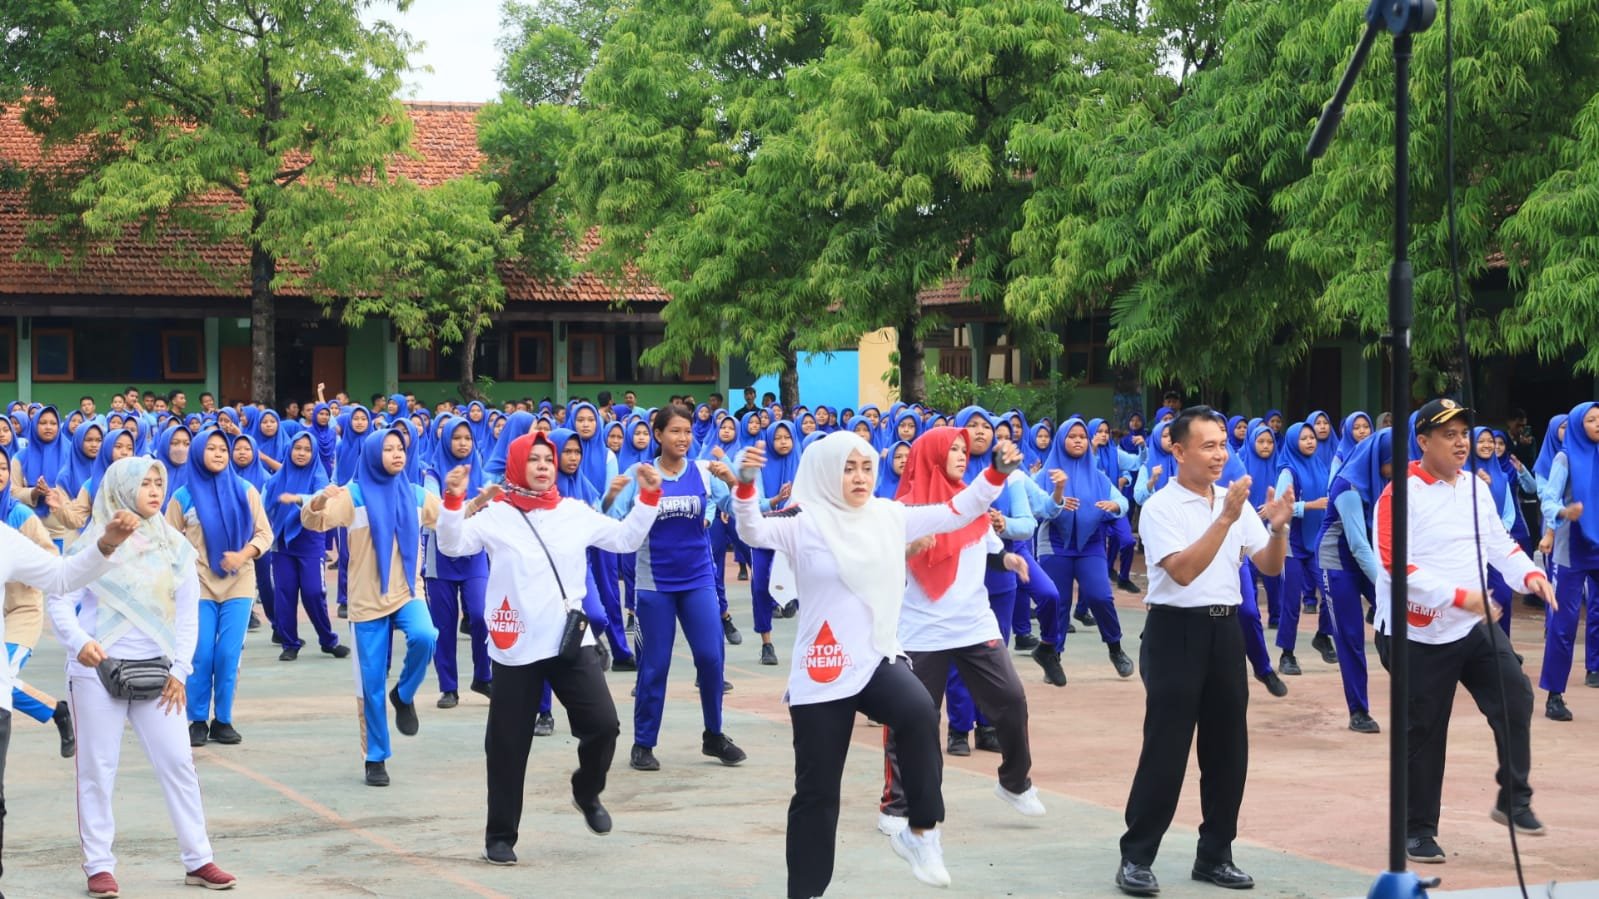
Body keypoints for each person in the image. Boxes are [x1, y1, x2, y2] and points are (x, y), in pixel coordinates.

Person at [718, 431, 1002, 895]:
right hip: (823, 669)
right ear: (830, 472)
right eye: (849, 468)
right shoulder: (804, 520)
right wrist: (747, 484)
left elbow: (958, 510)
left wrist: (996, 474)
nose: (859, 477)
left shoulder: (889, 515)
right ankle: (806, 891)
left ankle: (922, 832)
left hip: (875, 658)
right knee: (817, 792)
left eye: (867, 467)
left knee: (917, 710)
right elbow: (752, 530)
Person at [436, 432, 663, 864]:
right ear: (518, 464)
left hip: (569, 639)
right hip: (515, 643)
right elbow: (452, 544)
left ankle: (587, 790)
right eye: (534, 459)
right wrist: (452, 500)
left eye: (549, 459)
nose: (543, 466)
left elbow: (624, 539)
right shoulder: (496, 515)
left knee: (603, 724)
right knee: (507, 744)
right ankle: (500, 836)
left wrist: (648, 499)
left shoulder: (574, 512)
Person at [1116, 406, 1294, 897]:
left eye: (1222, 445)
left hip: (1224, 632)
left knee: (1227, 750)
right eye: (1208, 445)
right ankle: (1137, 857)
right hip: (1176, 632)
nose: (1219, 455)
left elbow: (1270, 566)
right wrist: (1226, 518)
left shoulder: (1230, 500)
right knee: (1166, 749)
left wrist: (1278, 527)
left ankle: (1215, 854)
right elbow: (1184, 572)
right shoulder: (1160, 507)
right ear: (1177, 450)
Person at [1372, 398, 1558, 863]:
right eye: (1449, 434)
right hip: (1417, 631)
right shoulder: (1400, 494)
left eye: (1463, 434)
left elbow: (1500, 545)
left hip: (1471, 622)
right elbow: (1397, 566)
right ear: (1423, 442)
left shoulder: (1476, 489)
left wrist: (1529, 575)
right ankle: (1416, 830)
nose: (1461, 442)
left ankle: (1513, 800)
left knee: (1515, 694)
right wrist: (1459, 596)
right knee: (1425, 730)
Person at [47, 456, 237, 896]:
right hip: (97, 672)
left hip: (159, 674)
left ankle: (199, 859)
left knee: (179, 764)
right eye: (144, 483)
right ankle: (99, 865)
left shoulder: (174, 545)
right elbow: (58, 598)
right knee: (97, 769)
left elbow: (189, 613)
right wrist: (80, 643)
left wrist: (181, 670)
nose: (154, 490)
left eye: (159, 482)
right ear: (120, 488)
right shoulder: (95, 543)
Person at [879, 428, 1043, 838]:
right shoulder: (901, 512)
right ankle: (898, 804)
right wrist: (907, 552)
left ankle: (1015, 782)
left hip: (974, 625)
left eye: (963, 449)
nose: (960, 455)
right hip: (920, 632)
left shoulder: (971, 505)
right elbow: (879, 567)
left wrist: (1008, 561)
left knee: (1011, 700)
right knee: (912, 720)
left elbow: (987, 554)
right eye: (951, 449)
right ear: (929, 455)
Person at [301, 428, 442, 787]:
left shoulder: (415, 494)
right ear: (373, 453)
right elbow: (314, 520)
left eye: (401, 448)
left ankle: (405, 694)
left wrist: (466, 499)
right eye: (389, 449)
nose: (397, 454)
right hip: (366, 602)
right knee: (371, 683)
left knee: (426, 636)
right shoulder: (353, 495)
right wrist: (318, 500)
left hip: (407, 592)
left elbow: (451, 519)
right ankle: (375, 756)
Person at [607, 406, 746, 771]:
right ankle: (643, 743)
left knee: (711, 658)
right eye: (675, 431)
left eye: (687, 432)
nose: (683, 438)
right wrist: (611, 495)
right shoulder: (640, 475)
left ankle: (714, 735)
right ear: (658, 434)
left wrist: (734, 480)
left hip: (699, 579)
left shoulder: (703, 472)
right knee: (655, 665)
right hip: (655, 584)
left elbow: (740, 506)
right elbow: (608, 517)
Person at [168, 429, 272, 747]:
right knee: (201, 653)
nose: (217, 454)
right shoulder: (182, 496)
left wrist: (243, 553)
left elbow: (264, 534)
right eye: (210, 448)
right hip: (198, 583)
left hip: (239, 582)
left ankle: (223, 719)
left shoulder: (246, 491)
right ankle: (197, 719)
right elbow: (168, 539)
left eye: (222, 450)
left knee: (228, 654)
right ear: (198, 453)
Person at [0, 445, 77, 759]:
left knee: (1, 680)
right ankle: (56, 709)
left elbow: (51, 558)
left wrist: (19, 568)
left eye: (3, 467)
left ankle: (58, 712)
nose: (0, 473)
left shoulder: (20, 515)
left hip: (20, 611)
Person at [1315, 426, 1392, 734]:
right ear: (1380, 457)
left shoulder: (1383, 483)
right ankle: (1358, 710)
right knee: (1350, 636)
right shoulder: (1349, 485)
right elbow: (1358, 544)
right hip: (1337, 563)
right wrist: (1386, 585)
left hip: (1365, 558)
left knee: (1403, 619)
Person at [421, 417, 493, 707]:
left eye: (467, 438)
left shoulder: (481, 470)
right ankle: (448, 687)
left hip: (475, 555)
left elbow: (490, 507)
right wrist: (472, 506)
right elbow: (436, 513)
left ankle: (483, 676)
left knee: (480, 615)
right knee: (444, 625)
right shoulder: (432, 472)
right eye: (456, 438)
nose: (463, 443)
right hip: (440, 559)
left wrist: (476, 506)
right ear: (446, 440)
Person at [1534, 401, 1599, 720]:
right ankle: (1554, 695)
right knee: (1564, 623)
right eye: (1591, 419)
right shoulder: (1566, 456)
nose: (1598, 423)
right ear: (1577, 424)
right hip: (1570, 550)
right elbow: (1549, 497)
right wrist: (1562, 512)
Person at [261, 432, 348, 662]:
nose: (301, 453)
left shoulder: (319, 476)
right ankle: (290, 643)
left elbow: (321, 497)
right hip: (281, 545)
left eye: (307, 449)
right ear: (290, 450)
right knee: (285, 593)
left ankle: (328, 640)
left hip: (310, 541)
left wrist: (298, 498)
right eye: (297, 448)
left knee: (313, 592)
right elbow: (263, 505)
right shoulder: (276, 479)